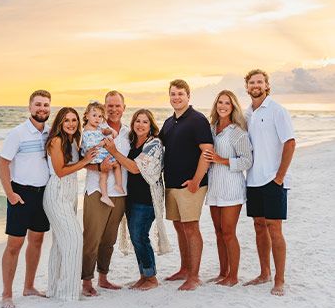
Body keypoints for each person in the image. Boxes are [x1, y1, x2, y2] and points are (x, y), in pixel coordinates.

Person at [104, 109, 171, 291]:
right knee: (136, 237)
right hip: (132, 197)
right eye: (137, 121)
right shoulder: (132, 142)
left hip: (147, 199)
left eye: (145, 122)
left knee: (140, 236)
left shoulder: (154, 144)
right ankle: (144, 276)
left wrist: (114, 152)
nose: (140, 125)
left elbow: (134, 168)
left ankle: (151, 277)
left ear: (151, 126)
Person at [243, 69, 295, 296]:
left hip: (273, 180)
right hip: (253, 179)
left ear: (266, 85)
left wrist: (280, 177)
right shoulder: (247, 114)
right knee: (258, 227)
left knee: (275, 229)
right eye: (252, 82)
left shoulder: (277, 110)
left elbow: (290, 143)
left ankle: (279, 279)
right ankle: (264, 273)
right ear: (247, 87)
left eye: (260, 82)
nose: (256, 85)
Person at [0, 90, 52, 308]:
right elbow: (3, 164)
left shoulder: (50, 133)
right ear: (30, 107)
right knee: (15, 244)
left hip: (43, 194)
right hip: (20, 194)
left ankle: (29, 287)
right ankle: (6, 294)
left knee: (37, 241)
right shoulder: (17, 133)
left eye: (46, 105)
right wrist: (10, 193)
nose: (42, 108)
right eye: (38, 104)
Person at [159, 79, 214, 291]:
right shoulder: (168, 122)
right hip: (171, 184)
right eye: (173, 94)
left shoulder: (197, 120)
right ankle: (184, 269)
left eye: (180, 94)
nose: (176, 97)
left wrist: (196, 181)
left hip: (191, 184)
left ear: (188, 96)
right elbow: (155, 146)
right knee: (179, 226)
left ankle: (194, 276)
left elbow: (207, 151)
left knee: (191, 227)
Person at [43, 108, 97, 301]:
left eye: (74, 120)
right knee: (74, 240)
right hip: (56, 193)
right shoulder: (56, 141)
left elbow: (83, 162)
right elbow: (60, 171)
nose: (71, 124)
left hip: (70, 194)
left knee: (60, 244)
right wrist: (85, 161)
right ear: (60, 122)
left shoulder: (73, 140)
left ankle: (55, 289)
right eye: (67, 120)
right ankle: (68, 293)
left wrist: (95, 161)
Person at [81, 91, 130, 296]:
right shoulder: (93, 130)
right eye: (109, 106)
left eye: (117, 106)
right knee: (92, 238)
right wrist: (99, 167)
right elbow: (82, 160)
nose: (113, 109)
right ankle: (86, 282)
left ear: (124, 108)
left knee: (109, 239)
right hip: (96, 190)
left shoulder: (128, 132)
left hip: (120, 192)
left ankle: (103, 277)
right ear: (104, 107)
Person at [204, 90, 253, 286]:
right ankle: (223, 272)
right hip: (214, 187)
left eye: (227, 103)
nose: (223, 106)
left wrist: (220, 160)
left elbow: (247, 161)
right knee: (218, 231)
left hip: (232, 187)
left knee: (228, 232)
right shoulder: (211, 128)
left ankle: (233, 276)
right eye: (220, 103)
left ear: (233, 107)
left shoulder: (237, 132)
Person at [81, 101, 124, 208]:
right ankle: (109, 192)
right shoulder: (87, 131)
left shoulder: (99, 127)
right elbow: (91, 146)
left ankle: (114, 188)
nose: (97, 119)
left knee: (111, 169)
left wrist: (110, 131)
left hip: (102, 154)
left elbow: (105, 131)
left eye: (100, 116)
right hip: (97, 156)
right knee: (109, 170)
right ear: (86, 116)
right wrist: (103, 142)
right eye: (94, 115)